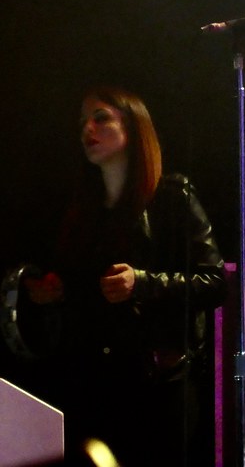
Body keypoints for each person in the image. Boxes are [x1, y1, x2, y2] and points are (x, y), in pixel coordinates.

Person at [23, 86, 227, 466]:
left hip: (157, 386)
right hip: (93, 382)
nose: (88, 129)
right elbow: (82, 289)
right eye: (82, 122)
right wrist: (54, 290)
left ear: (132, 128)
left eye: (101, 118)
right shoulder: (83, 209)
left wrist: (142, 282)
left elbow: (215, 282)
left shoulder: (173, 195)